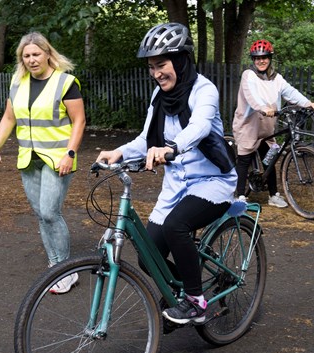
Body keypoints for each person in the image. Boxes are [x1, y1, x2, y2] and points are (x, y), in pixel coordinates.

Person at [96, 22, 237, 325]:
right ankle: (185, 289)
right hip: (176, 187)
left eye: (161, 64)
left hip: (212, 182)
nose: (156, 73)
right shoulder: (158, 98)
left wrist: (171, 147)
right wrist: (118, 152)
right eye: (151, 67)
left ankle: (196, 303)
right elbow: (146, 139)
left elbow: (199, 127)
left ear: (181, 60)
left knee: (176, 226)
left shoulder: (204, 90)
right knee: (149, 256)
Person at [0, 32, 85, 294]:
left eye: (36, 54)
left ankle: (66, 271)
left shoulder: (65, 83)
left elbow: (79, 120)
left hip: (58, 158)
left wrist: (71, 153)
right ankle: (55, 264)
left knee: (50, 212)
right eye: (26, 55)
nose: (31, 60)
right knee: (40, 215)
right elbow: (9, 118)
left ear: (47, 54)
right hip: (28, 158)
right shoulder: (18, 83)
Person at [232, 39, 314, 207]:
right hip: (248, 126)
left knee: (270, 159)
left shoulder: (276, 78)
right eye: (257, 58)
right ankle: (239, 197)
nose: (261, 61)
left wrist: (307, 103)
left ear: (270, 58)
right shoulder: (248, 75)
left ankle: (273, 195)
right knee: (244, 159)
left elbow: (290, 92)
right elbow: (251, 96)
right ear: (253, 60)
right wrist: (263, 108)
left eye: (264, 57)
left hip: (267, 128)